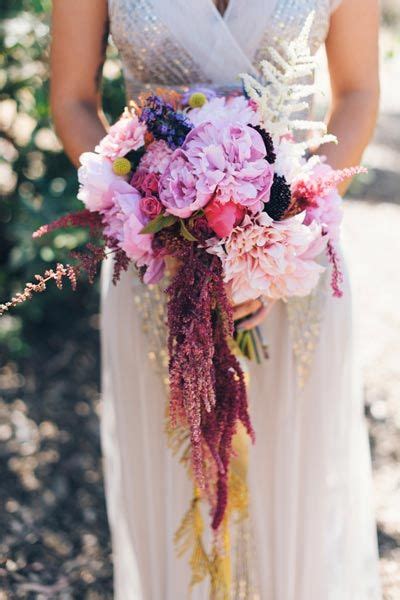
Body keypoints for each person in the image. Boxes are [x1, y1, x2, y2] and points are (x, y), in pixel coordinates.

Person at [50, 0, 381, 598]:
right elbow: (73, 99)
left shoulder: (291, 241)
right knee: (180, 493)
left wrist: (284, 230)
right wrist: (155, 224)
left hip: (294, 261)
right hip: (157, 265)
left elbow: (357, 92)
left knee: (293, 494)